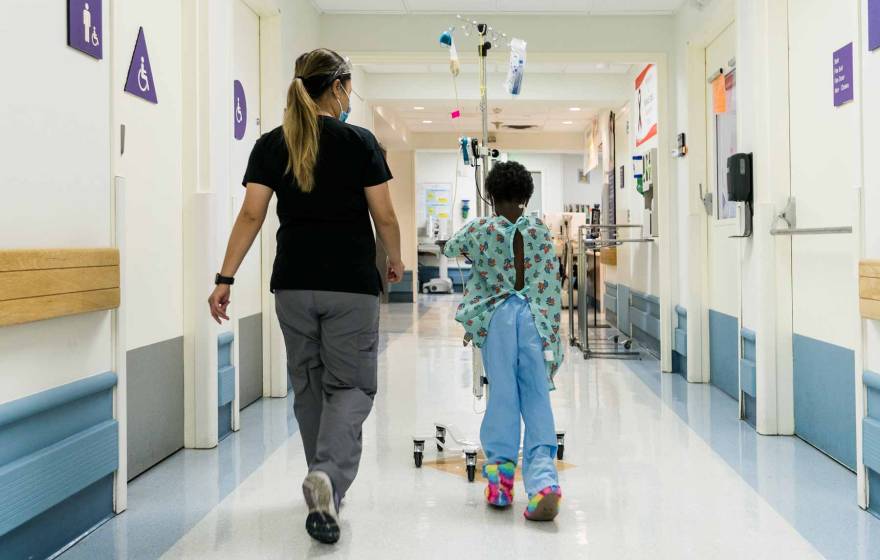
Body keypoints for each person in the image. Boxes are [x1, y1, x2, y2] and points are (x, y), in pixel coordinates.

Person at [208, 48, 404, 544]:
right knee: (352, 387)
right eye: (348, 88)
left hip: (292, 285)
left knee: (310, 385)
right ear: (336, 87)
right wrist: (394, 258)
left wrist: (225, 277)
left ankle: (326, 488)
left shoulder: (272, 145)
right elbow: (384, 215)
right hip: (350, 287)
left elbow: (251, 215)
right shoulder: (360, 141)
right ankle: (328, 477)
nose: (349, 97)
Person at [441, 161, 563, 522]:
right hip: (536, 324)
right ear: (527, 197)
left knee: (503, 399)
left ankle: (500, 484)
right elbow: (550, 278)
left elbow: (450, 248)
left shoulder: (481, 229)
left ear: (492, 198)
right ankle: (543, 484)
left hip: (498, 322)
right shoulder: (540, 230)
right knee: (537, 399)